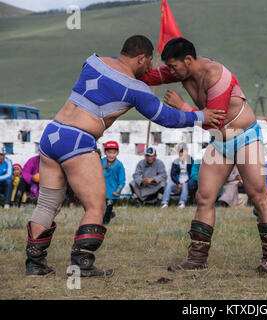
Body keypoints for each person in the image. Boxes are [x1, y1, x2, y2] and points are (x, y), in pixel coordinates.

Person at [24, 35, 225, 278]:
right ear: (141, 58)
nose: (150, 68)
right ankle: (81, 265)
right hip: (77, 140)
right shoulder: (135, 89)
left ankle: (35, 264)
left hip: (53, 133)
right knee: (96, 206)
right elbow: (166, 118)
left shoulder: (93, 61)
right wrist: (200, 116)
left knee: (46, 204)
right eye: (150, 62)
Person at [139, 37, 267, 273]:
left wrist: (182, 105)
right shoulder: (181, 70)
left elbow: (212, 120)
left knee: (258, 196)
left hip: (245, 137)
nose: (170, 71)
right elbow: (147, 76)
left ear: (188, 60)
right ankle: (196, 260)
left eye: (174, 66)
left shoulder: (217, 75)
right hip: (220, 142)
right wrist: (120, 68)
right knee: (204, 196)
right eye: (170, 67)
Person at [161, 143, 192, 209]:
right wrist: (178, 183)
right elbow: (172, 175)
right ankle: (164, 203)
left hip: (187, 183)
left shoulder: (191, 161)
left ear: (187, 151)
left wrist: (184, 182)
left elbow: (192, 174)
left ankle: (182, 203)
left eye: (183, 151)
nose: (181, 154)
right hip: (177, 183)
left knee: (185, 184)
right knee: (169, 184)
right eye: (180, 152)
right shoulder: (176, 161)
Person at [101, 141, 125, 225]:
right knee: (101, 208)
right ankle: (109, 214)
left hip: (112, 193)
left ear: (117, 153)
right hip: (101, 191)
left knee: (108, 207)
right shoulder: (100, 162)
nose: (111, 155)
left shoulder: (119, 165)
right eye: (109, 152)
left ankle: (105, 223)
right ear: (105, 152)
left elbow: (122, 181)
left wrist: (117, 191)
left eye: (114, 152)